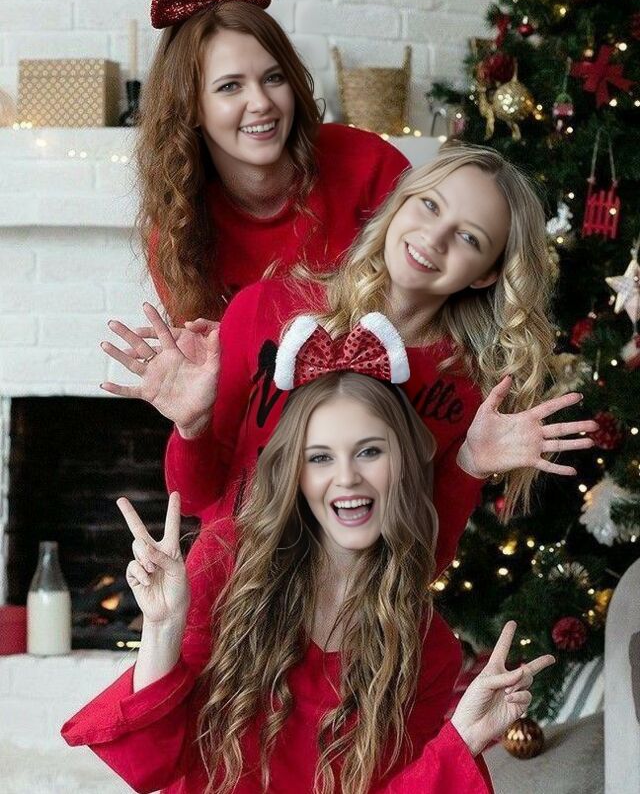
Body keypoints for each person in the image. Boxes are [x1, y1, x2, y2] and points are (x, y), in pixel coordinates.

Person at [63, 317, 554, 793]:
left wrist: (462, 739)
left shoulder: (426, 644)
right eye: (320, 457)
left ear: (402, 467)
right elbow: (151, 766)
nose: (347, 478)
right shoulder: (225, 561)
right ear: (294, 474)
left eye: (369, 452)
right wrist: (163, 627)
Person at [102, 143, 597, 574]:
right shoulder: (264, 308)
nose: (435, 237)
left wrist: (469, 464)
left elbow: (420, 564)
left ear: (487, 273)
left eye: (470, 237)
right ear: (400, 204)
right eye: (429, 205)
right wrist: (192, 425)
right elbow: (193, 498)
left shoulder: (466, 389)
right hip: (223, 603)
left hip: (341, 629)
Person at [140, 0, 409, 322]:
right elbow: (219, 352)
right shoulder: (177, 232)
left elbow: (434, 312)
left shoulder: (370, 164)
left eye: (273, 78)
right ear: (192, 108)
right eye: (230, 86)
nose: (262, 103)